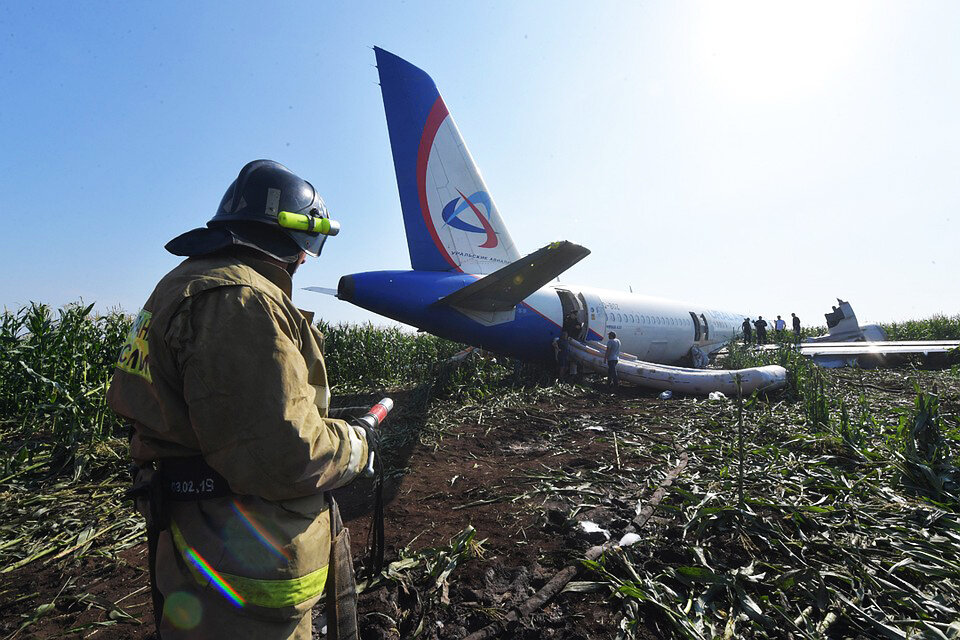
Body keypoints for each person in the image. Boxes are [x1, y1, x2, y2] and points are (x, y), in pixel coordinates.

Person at [107, 160, 374, 639]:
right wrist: (357, 443)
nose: (306, 261)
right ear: (292, 242)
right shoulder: (240, 300)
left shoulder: (181, 283)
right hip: (242, 559)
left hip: (191, 534)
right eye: (306, 250)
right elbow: (283, 455)